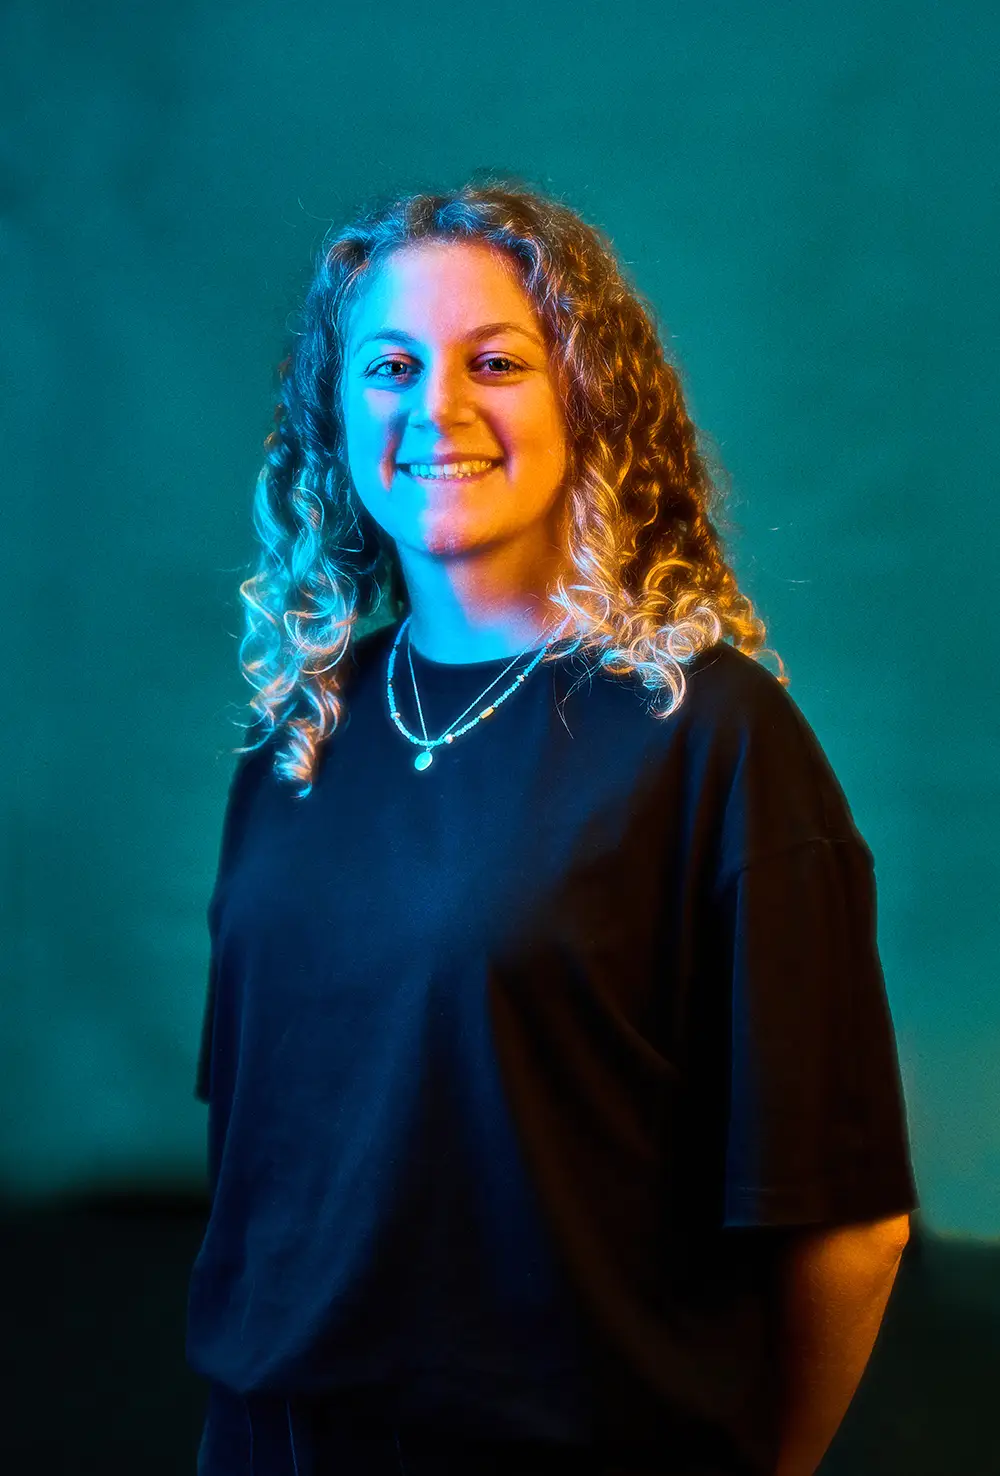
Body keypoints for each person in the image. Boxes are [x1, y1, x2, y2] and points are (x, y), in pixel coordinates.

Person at [186, 176, 918, 1476]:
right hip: (264, 1440)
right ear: (335, 411)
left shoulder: (712, 741)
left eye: (497, 361)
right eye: (391, 365)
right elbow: (274, 1147)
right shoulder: (302, 728)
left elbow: (848, 1231)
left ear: (587, 396)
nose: (438, 409)